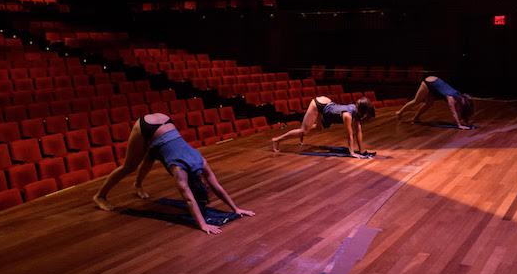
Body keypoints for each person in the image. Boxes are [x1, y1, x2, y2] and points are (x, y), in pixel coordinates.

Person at [93, 113, 255, 235]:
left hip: (164, 121)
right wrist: (202, 225)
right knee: (129, 166)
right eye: (205, 185)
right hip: (146, 127)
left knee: (150, 158)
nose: (207, 184)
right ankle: (100, 196)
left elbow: (217, 187)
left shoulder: (201, 160)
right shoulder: (180, 170)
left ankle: (137, 185)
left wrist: (236, 209)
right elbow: (189, 199)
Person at [271, 96, 375, 157]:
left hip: (328, 107)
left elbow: (359, 131)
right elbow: (350, 135)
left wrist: (361, 151)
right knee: (303, 131)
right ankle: (276, 140)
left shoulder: (356, 113)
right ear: (363, 112)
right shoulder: (347, 115)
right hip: (319, 104)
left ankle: (304, 132)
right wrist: (352, 152)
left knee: (318, 128)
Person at [395, 76, 475, 129]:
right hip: (429, 82)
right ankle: (400, 112)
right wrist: (459, 125)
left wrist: (466, 122)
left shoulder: (460, 97)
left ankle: (415, 119)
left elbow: (461, 110)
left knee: (429, 104)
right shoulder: (451, 98)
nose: (460, 107)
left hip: (434, 85)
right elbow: (454, 112)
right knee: (416, 101)